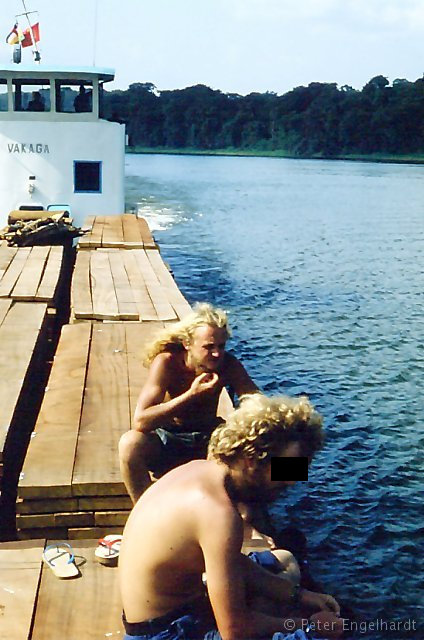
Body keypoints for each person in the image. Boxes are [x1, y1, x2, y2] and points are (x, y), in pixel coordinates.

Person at [119, 394, 344, 640]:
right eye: (285, 469)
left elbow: (232, 562)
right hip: (167, 633)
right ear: (251, 460)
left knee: (285, 560)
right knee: (326, 635)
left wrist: (300, 595)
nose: (292, 481)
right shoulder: (219, 513)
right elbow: (235, 632)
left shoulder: (199, 470)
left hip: (174, 611)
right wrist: (307, 626)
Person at [119, 303, 258, 504]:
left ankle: (243, 515)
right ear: (187, 344)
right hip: (170, 438)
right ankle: (144, 511)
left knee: (289, 462)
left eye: (221, 346)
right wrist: (191, 395)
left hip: (208, 439)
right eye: (208, 347)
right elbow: (141, 421)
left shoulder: (228, 365)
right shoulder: (167, 362)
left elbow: (254, 401)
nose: (217, 354)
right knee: (130, 444)